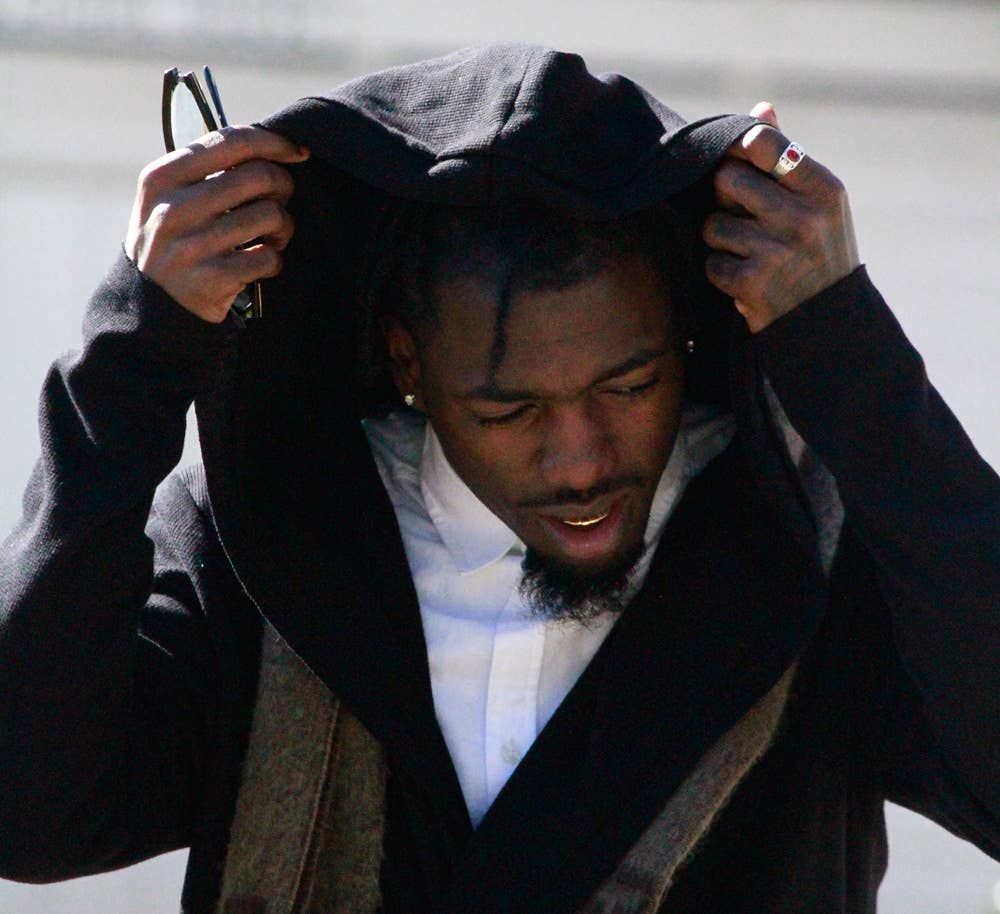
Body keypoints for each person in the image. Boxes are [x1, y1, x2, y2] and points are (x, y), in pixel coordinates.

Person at [0, 43, 997, 914]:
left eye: (630, 385)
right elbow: (29, 810)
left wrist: (848, 348)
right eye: (508, 412)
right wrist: (137, 354)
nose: (581, 460)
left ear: (686, 341)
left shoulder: (808, 545)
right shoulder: (260, 542)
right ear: (406, 363)